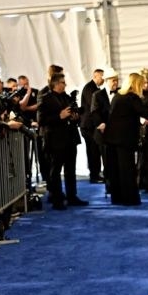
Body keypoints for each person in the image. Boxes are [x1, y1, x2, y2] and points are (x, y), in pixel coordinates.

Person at [36, 71, 86, 209]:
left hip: (70, 138)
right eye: (63, 82)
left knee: (70, 169)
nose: (65, 85)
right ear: (56, 84)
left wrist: (75, 117)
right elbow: (41, 120)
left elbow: (73, 114)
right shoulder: (45, 98)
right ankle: (57, 199)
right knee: (55, 170)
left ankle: (72, 196)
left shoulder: (66, 97)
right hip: (54, 140)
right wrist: (60, 116)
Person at [104, 72, 148, 206]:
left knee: (116, 170)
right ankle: (130, 199)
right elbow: (145, 112)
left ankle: (118, 198)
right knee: (127, 170)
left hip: (112, 138)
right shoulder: (132, 98)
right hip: (124, 140)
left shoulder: (118, 96)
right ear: (136, 84)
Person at [80, 69, 104, 182]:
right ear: (96, 76)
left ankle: (96, 173)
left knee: (95, 150)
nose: (103, 79)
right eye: (102, 77)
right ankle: (94, 175)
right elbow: (93, 105)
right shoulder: (89, 88)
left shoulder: (94, 88)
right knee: (93, 150)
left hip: (91, 125)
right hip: (88, 126)